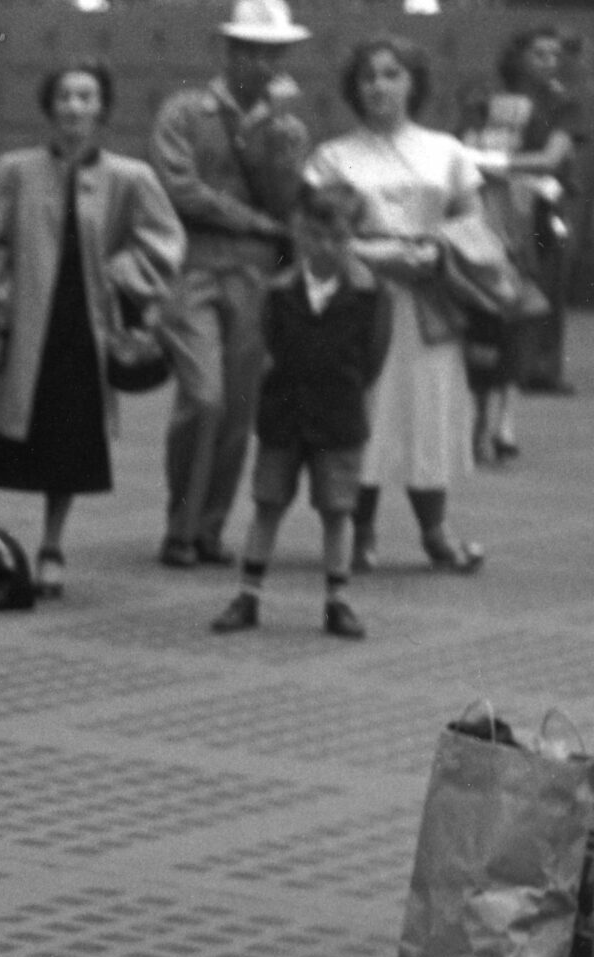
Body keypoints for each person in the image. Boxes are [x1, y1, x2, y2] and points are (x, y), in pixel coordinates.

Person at [0, 62, 183, 600]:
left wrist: (124, 274)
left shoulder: (130, 177)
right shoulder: (16, 169)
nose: (75, 106)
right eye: (65, 96)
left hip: (82, 333)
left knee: (66, 448)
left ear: (102, 108)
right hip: (20, 330)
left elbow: (165, 243)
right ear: (49, 106)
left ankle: (52, 545)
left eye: (86, 96)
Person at [304, 36, 489, 575]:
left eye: (391, 74)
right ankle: (358, 531)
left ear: (414, 82)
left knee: (428, 410)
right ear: (353, 88)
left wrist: (437, 252)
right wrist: (379, 254)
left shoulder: (447, 152)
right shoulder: (336, 157)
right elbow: (316, 232)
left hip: (429, 304)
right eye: (368, 76)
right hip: (360, 300)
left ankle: (436, 530)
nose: (379, 86)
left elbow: (473, 225)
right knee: (363, 412)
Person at [151, 0, 313, 569]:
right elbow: (179, 188)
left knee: (239, 407)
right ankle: (180, 521)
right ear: (231, 51)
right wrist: (252, 222)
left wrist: (269, 137)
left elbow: (286, 204)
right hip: (192, 268)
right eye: (254, 52)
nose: (265, 65)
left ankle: (208, 530)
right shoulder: (184, 112)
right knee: (204, 397)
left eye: (274, 55)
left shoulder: (286, 128)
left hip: (255, 277)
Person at [211, 186, 391, 640]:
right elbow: (265, 343)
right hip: (283, 414)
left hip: (338, 417)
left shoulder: (371, 294)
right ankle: (248, 595)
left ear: (353, 238)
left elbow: (373, 357)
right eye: (314, 236)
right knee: (267, 503)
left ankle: (338, 601)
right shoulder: (278, 290)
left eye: (338, 238)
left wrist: (343, 387)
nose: (326, 247)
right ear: (299, 235)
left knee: (337, 510)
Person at [460, 30, 579, 457]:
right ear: (519, 56)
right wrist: (496, 168)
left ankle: (506, 421)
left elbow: (551, 159)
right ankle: (478, 417)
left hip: (539, 223)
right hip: (488, 218)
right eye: (540, 52)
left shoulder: (564, 105)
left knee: (522, 318)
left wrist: (499, 165)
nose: (549, 61)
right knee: (483, 320)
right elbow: (465, 151)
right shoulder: (485, 99)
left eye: (555, 54)